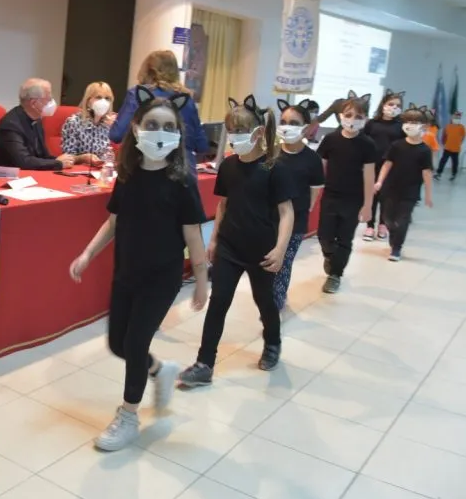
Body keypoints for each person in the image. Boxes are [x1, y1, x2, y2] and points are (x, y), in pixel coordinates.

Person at [69, 87, 209, 452]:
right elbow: (113, 222)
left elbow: (193, 236)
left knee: (134, 343)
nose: (160, 133)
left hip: (161, 278)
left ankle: (128, 415)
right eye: (152, 125)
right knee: (118, 343)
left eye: (168, 127)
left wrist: (202, 281)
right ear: (136, 128)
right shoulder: (128, 175)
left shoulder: (182, 182)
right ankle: (160, 370)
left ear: (178, 134)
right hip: (126, 274)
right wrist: (87, 254)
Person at [179, 95, 294, 387]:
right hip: (230, 247)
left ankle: (272, 342)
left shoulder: (274, 168)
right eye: (230, 131)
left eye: (240, 131)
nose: (234, 136)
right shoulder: (229, 166)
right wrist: (214, 241)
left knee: (264, 301)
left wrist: (280, 249)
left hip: (262, 250)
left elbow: (286, 212)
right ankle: (204, 363)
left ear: (258, 133)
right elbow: (223, 205)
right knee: (218, 302)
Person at [317, 91, 376, 294]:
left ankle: (335, 274)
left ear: (365, 118)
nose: (352, 120)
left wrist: (368, 205)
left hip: (353, 199)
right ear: (340, 115)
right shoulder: (330, 139)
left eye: (358, 116)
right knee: (324, 236)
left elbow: (369, 175)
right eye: (348, 115)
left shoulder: (367, 144)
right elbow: (319, 168)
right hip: (330, 196)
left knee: (344, 238)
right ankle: (330, 256)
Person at [110, 50, 208, 170]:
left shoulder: (137, 94)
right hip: (182, 169)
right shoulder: (186, 99)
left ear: (148, 70)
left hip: (144, 168)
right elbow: (201, 145)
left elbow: (116, 135)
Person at [273, 98, 324, 312]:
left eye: (294, 123)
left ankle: (275, 303)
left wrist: (304, 210)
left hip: (295, 221)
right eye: (284, 122)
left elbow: (315, 190)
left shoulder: (312, 159)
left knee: (283, 262)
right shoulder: (271, 154)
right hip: (268, 219)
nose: (287, 127)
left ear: (305, 126)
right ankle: (267, 297)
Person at [373, 108, 434, 262]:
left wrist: (428, 194)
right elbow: (387, 164)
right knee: (387, 218)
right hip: (390, 188)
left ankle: (396, 248)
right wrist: (379, 181)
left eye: (414, 122)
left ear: (423, 126)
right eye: (407, 122)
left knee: (403, 220)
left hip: (410, 191)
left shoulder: (425, 150)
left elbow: (427, 173)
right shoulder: (396, 145)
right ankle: (393, 236)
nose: (410, 125)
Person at [0, 78, 74, 170]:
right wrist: (58, 163)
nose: (52, 103)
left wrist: (61, 161)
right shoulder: (11, 125)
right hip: (10, 175)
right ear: (33, 103)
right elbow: (23, 161)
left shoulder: (36, 120)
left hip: (30, 173)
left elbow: (42, 156)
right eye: (49, 99)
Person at [362, 90, 405, 242]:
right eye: (391, 104)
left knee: (386, 197)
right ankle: (369, 225)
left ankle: (382, 224)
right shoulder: (372, 123)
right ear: (383, 105)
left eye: (397, 105)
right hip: (372, 164)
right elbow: (363, 141)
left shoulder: (401, 126)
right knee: (372, 194)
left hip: (391, 165)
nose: (394, 107)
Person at [61, 81, 116, 165]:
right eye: (98, 97)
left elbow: (108, 155)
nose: (103, 102)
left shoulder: (108, 124)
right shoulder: (73, 122)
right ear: (88, 101)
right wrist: (83, 158)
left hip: (101, 170)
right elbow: (67, 158)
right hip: (78, 170)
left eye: (107, 98)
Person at [436, 111, 466, 181]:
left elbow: (464, 136)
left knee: (455, 162)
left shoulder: (462, 127)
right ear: (452, 118)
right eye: (455, 117)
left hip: (456, 149)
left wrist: (459, 143)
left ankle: (454, 174)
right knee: (443, 161)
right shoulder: (448, 126)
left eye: (458, 118)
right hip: (447, 147)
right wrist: (443, 144)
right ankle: (438, 173)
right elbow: (444, 136)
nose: (456, 119)